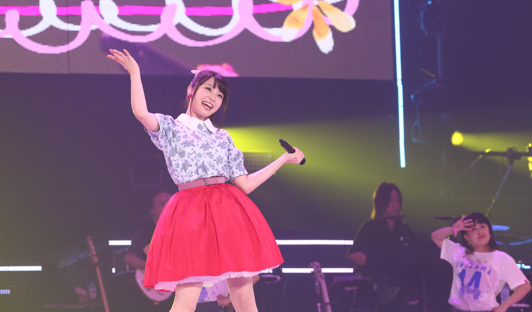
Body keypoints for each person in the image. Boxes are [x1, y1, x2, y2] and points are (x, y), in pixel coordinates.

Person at [107, 49, 305, 312]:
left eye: (220, 95)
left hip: (228, 213)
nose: (213, 97)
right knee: (185, 302)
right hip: (191, 214)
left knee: (245, 299)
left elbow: (245, 185)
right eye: (208, 89)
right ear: (191, 90)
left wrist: (283, 160)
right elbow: (141, 112)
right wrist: (135, 73)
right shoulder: (172, 128)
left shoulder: (223, 137)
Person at [431, 212, 531, 312]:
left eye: (483, 226)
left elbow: (524, 286)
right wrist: (452, 229)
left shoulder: (501, 258)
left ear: (489, 230)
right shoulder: (459, 253)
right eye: (474, 229)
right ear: (466, 237)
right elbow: (435, 237)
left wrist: (503, 306)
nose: (480, 231)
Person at [347, 182, 414, 311]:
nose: (395, 204)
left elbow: (415, 254)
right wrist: (377, 265)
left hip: (398, 291)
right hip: (374, 289)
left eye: (398, 200)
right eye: (390, 200)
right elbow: (354, 253)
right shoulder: (370, 226)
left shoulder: (404, 229)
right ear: (381, 202)